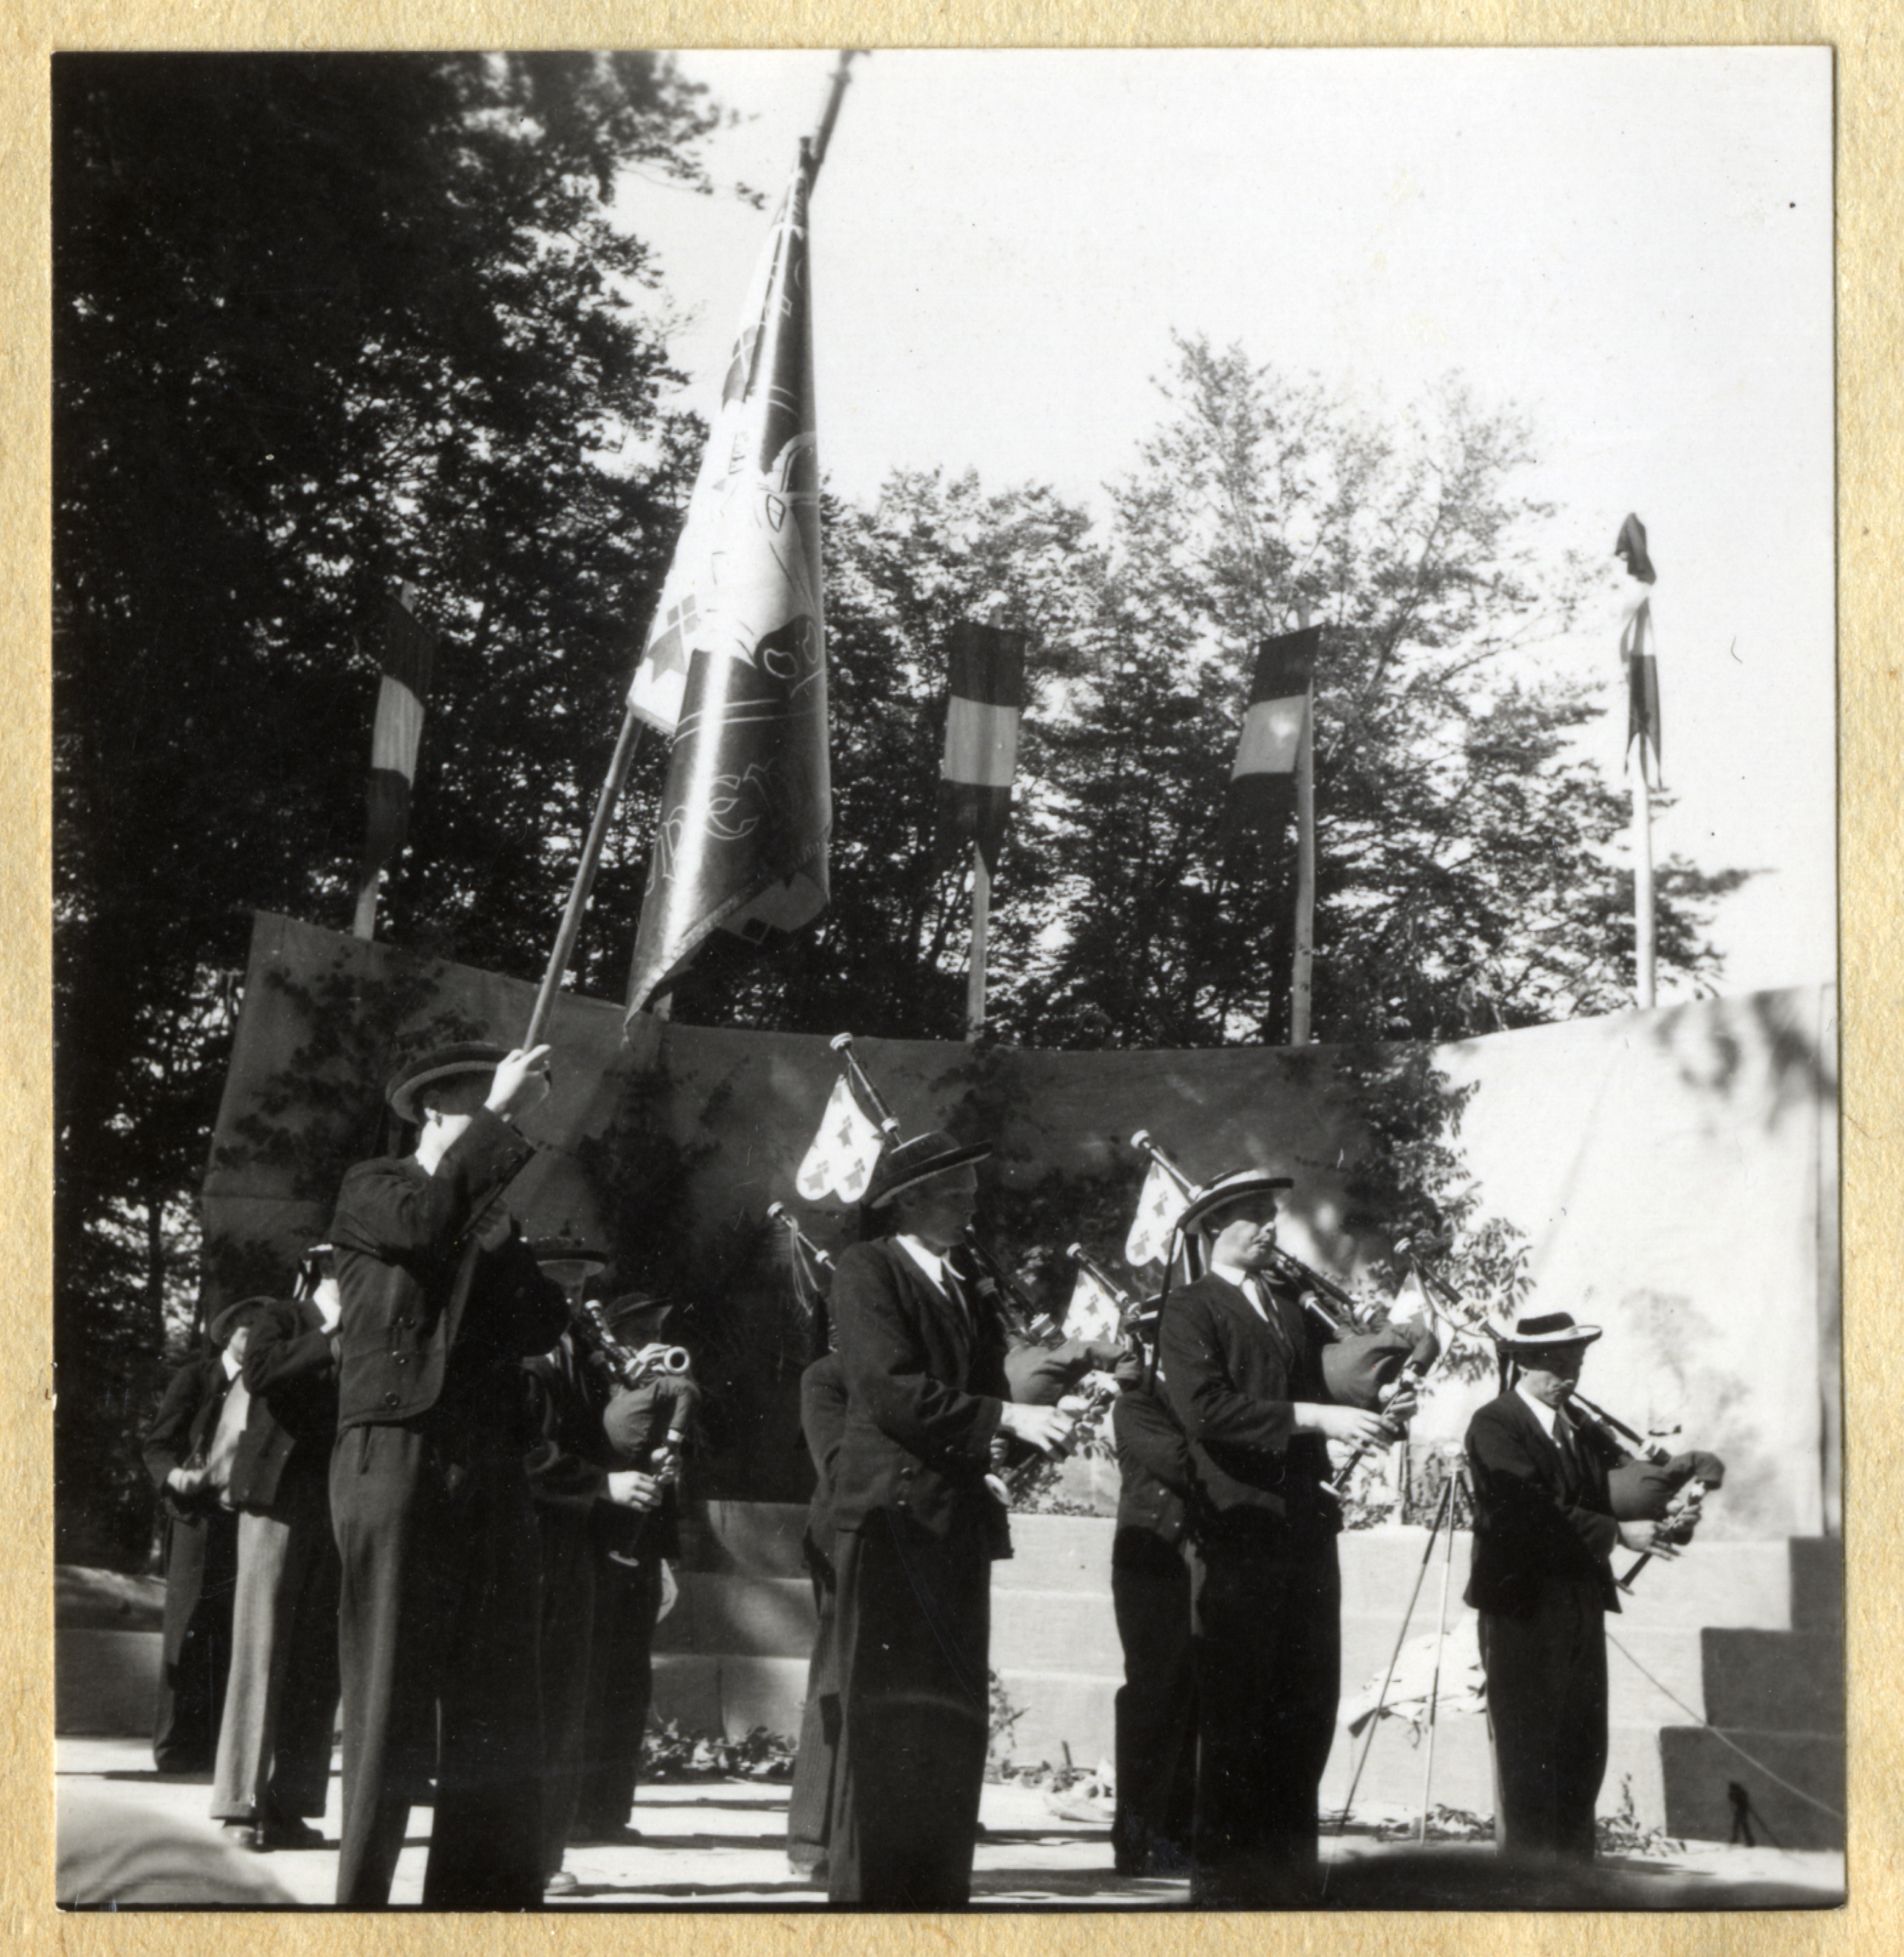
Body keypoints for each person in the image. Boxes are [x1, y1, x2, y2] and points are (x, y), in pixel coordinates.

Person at [326, 1040, 570, 1910]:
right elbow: (424, 1227)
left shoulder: (483, 1208)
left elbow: (541, 1325)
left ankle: (482, 1906)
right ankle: (362, 1905)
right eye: (484, 1105)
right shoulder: (374, 1186)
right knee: (389, 1691)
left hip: (486, 1464)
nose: (505, 1123)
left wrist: (507, 1248)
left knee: (500, 1691)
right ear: (433, 1112)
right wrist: (501, 1128)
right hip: (395, 1454)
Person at [824, 1129, 1076, 1908]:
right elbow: (889, 1389)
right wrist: (1004, 1417)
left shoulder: (964, 1282)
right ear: (907, 1201)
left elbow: (971, 1394)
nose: (972, 1205)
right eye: (955, 1193)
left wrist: (1003, 1453)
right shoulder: (866, 1269)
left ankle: (938, 1892)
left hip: (954, 1520)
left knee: (953, 1717)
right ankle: (873, 1899)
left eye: (972, 1191)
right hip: (892, 1522)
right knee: (891, 1713)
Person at [1156, 1169, 1396, 1906]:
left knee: (1305, 1702)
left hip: (1305, 1530)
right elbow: (1206, 1410)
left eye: (1270, 1214)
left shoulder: (1291, 1310)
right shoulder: (1191, 1307)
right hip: (1239, 1529)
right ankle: (1226, 1886)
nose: (1267, 1226)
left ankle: (1289, 1877)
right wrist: (1316, 1420)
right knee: (1238, 1711)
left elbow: (1327, 1394)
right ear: (1208, 1229)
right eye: (1249, 1217)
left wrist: (1382, 1401)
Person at [1463, 1312, 1676, 1863]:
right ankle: (1530, 1886)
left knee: (1582, 1746)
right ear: (1524, 1362)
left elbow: (1613, 1487)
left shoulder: (1575, 1428)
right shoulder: (1495, 1423)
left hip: (1580, 1602)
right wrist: (1617, 1533)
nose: (1569, 1376)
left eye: (1575, 1364)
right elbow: (1527, 1511)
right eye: (1557, 1364)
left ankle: (1576, 1877)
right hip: (1522, 1608)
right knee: (1529, 1749)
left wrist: (1661, 1498)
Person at [209, 1247, 343, 1849]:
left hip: (339, 1503)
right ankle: (240, 1806)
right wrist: (334, 1335)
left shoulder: (372, 1328)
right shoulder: (282, 1318)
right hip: (277, 1498)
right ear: (327, 1269)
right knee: (261, 1646)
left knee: (319, 1656)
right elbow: (261, 1373)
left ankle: (291, 1804)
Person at [573, 1294, 695, 1848]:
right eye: (641, 1331)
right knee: (589, 1675)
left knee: (627, 1681)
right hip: (596, 1536)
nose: (655, 1341)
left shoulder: (660, 1384)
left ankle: (608, 1811)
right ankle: (572, 1809)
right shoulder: (598, 1377)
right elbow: (608, 1438)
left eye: (657, 1328)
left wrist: (673, 1449)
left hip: (643, 1543)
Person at [141, 1300, 251, 1774]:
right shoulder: (197, 1377)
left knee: (226, 1628)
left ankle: (210, 1748)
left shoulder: (263, 1385)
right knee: (185, 1627)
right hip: (194, 1518)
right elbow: (157, 1444)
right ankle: (173, 1748)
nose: (256, 1338)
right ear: (227, 1333)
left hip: (240, 1519)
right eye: (248, 1329)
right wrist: (174, 1478)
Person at [1108, 1351, 1198, 1877]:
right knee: (1153, 1695)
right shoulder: (1137, 1405)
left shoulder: (1195, 1398)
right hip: (1153, 1565)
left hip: (1193, 1562)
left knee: (1194, 1698)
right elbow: (1180, 1463)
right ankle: (1135, 1836)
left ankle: (1177, 1835)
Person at [785, 1343, 847, 1880]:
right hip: (841, 1541)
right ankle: (810, 1840)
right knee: (832, 1680)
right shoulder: (826, 1375)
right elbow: (837, 1465)